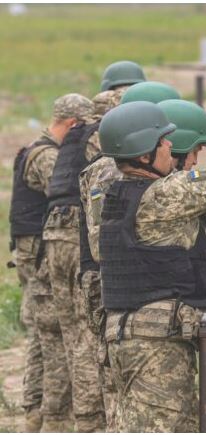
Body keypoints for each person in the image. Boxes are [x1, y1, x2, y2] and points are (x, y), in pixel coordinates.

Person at [97, 89, 206, 431]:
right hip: (155, 345)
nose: (168, 149)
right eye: (163, 142)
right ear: (145, 153)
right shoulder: (165, 193)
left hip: (128, 337)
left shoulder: (117, 192)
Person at [77, 80, 179, 431]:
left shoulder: (100, 167)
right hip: (127, 291)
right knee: (129, 399)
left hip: (110, 286)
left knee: (121, 395)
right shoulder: (118, 172)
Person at [10, 94, 92, 432]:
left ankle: (36, 413)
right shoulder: (47, 157)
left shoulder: (36, 149)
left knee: (43, 341)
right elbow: (70, 191)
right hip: (42, 264)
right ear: (74, 124)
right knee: (55, 340)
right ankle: (52, 418)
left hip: (37, 259)